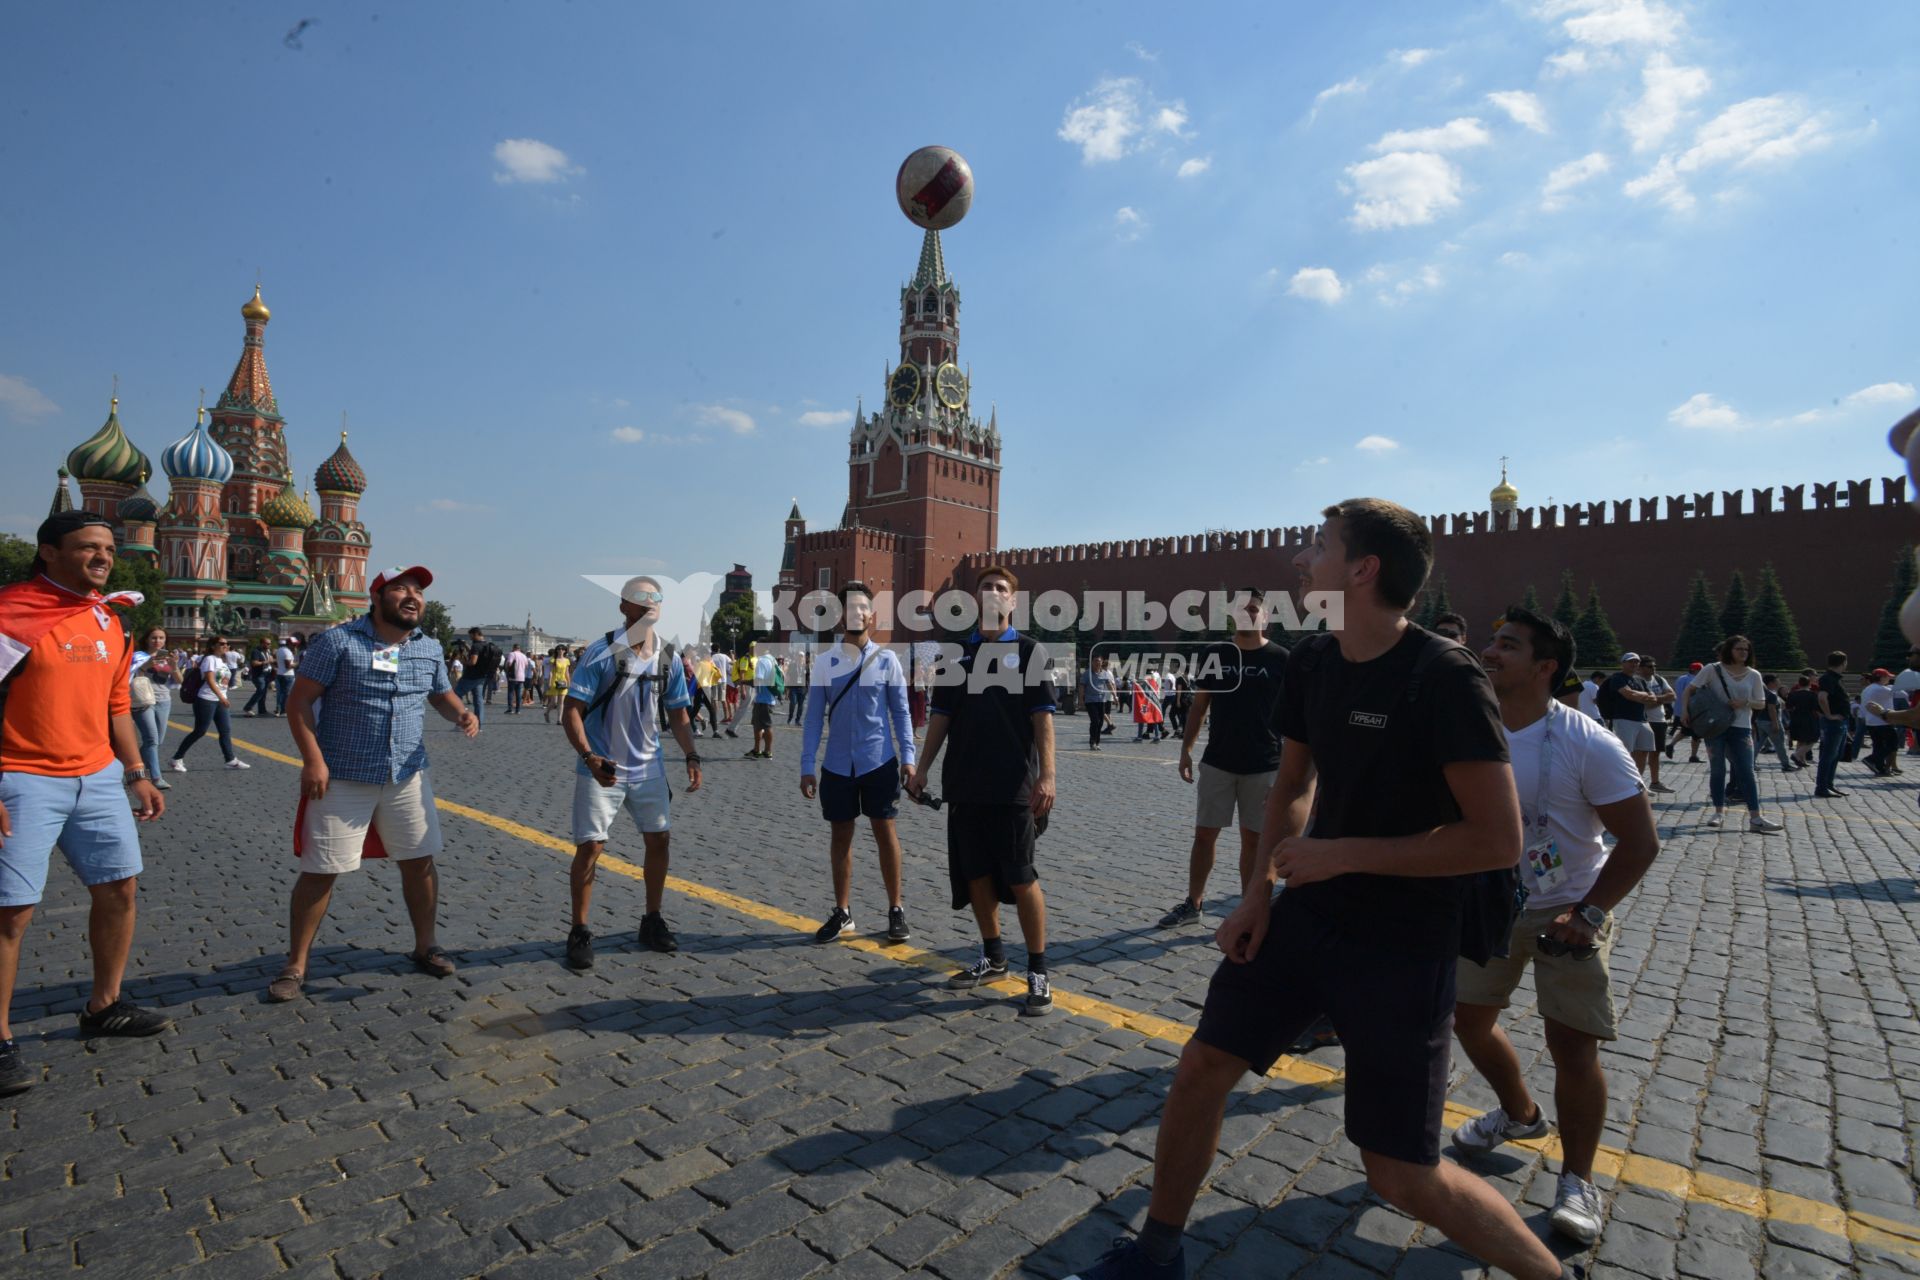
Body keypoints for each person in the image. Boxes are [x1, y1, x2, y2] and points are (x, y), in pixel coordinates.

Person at [1067, 498, 1571, 1280]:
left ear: (1362, 570)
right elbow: (1293, 783)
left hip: (1404, 942)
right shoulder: (1313, 661)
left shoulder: (1443, 676)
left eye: (1317, 546)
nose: (1300, 560)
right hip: (1307, 917)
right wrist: (1260, 894)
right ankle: (1156, 1253)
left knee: (1399, 1171)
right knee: (1203, 1066)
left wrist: (1341, 855)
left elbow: (1495, 839)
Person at [1453, 606, 1660, 1247]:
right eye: (1491, 641)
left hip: (1567, 909)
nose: (1489, 652)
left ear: (1545, 667)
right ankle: (1520, 1115)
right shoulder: (1467, 727)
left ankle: (1578, 1180)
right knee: (1468, 1021)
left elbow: (1640, 841)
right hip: (1488, 904)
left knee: (1573, 1047)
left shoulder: (1588, 742)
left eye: (1506, 645)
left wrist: (1589, 912)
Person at [1, 512, 178, 1096]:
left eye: (107, 548)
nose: (103, 556)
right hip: (22, 777)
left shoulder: (109, 618)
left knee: (119, 887)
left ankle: (105, 1004)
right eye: (87, 548)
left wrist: (136, 773)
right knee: (11, 912)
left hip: (97, 776)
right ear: (48, 553)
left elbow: (117, 704)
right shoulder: (11, 612)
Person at [271, 566, 479, 1002]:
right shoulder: (338, 642)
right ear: (378, 596)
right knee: (321, 869)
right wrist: (312, 760)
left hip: (406, 775)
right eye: (402, 588)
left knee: (419, 860)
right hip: (342, 774)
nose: (413, 596)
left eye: (419, 590)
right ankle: (295, 965)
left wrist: (460, 712)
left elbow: (440, 694)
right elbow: (300, 702)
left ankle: (426, 945)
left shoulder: (430, 648)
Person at [908, 565, 1057, 1017]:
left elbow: (1043, 718)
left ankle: (1038, 970)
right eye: (986, 588)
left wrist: (1048, 776)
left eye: (1001, 589)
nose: (993, 593)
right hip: (964, 784)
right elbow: (941, 717)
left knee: (1020, 875)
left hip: (1014, 786)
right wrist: (922, 768)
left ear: (1013, 602)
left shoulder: (1031, 651)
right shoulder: (956, 654)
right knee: (974, 874)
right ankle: (993, 956)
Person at [561, 576, 701, 964]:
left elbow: (678, 712)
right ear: (623, 606)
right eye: (641, 598)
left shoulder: (668, 657)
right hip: (602, 764)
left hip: (649, 766)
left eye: (656, 598)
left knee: (659, 841)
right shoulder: (599, 653)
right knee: (591, 846)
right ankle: (580, 929)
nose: (650, 604)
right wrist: (589, 757)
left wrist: (691, 755)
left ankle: (652, 919)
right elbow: (571, 710)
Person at [1161, 588, 1288, 928]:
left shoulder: (1280, 659)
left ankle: (1249, 908)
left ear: (1266, 616)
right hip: (1218, 761)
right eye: (1241, 608)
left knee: (1255, 840)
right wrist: (1186, 750)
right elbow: (1200, 706)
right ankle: (1194, 902)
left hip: (1265, 764)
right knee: (1204, 835)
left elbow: (1294, 717)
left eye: (1254, 608)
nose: (1248, 613)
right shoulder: (1216, 653)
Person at [800, 582, 916, 945]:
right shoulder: (825, 663)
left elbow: (901, 712)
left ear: (872, 616)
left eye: (862, 607)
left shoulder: (887, 660)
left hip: (879, 760)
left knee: (886, 833)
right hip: (836, 765)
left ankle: (896, 908)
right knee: (840, 837)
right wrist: (807, 764)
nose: (856, 613)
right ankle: (843, 911)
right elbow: (814, 718)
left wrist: (909, 758)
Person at [1681, 635, 1784, 832]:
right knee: (1718, 769)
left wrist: (1744, 703)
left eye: (1746, 649)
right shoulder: (1712, 669)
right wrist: (1685, 711)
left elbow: (1761, 703)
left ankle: (1755, 818)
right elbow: (1689, 690)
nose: (1743, 653)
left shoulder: (1753, 674)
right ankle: (1718, 812)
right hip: (1715, 727)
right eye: (1739, 649)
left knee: (1747, 770)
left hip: (1741, 727)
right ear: (1730, 650)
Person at [168, 636, 248, 771]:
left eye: (227, 643)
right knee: (200, 731)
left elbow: (222, 680)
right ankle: (176, 759)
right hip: (206, 699)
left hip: (219, 700)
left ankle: (230, 760)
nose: (226, 645)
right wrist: (221, 697)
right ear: (212, 646)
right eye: (222, 643)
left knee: (225, 730)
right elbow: (210, 680)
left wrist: (223, 695)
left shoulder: (221, 660)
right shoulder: (210, 659)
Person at [1596, 653, 1659, 785]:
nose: (1634, 664)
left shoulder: (1640, 680)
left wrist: (1639, 695)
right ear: (1623, 663)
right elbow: (1628, 694)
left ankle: (1637, 782)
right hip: (1624, 719)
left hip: (1642, 719)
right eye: (1630, 662)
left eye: (1636, 662)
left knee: (1643, 750)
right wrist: (1644, 695)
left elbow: (1653, 698)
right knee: (1625, 753)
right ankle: (1622, 783)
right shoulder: (1617, 678)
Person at [128, 627, 176, 791]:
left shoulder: (166, 657)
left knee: (157, 741)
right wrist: (145, 665)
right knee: (151, 740)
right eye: (154, 638)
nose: (158, 641)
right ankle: (156, 777)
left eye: (161, 638)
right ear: (147, 639)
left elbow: (179, 680)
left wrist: (174, 666)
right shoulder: (138, 656)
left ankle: (135, 768)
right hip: (143, 701)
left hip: (164, 700)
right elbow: (131, 678)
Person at [1638, 656, 1676, 792]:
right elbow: (1644, 703)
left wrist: (1655, 699)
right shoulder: (1637, 681)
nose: (1653, 668)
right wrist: (1662, 699)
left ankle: (1655, 782)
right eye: (1649, 666)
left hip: (1660, 720)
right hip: (1644, 720)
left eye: (1654, 666)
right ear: (1640, 668)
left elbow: (1672, 696)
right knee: (1641, 753)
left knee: (1656, 753)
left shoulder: (1659, 679)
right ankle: (1638, 784)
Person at [456, 627, 499, 726]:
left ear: (475, 634)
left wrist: (463, 662)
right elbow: (476, 654)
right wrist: (466, 646)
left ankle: (462, 719)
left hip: (470, 676)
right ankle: (479, 725)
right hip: (481, 676)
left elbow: (473, 661)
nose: (470, 637)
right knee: (478, 701)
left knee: (455, 696)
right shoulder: (486, 645)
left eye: (470, 635)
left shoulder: (476, 646)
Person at [1861, 668, 1898, 776]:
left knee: (1878, 745)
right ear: (1881, 678)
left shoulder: (1868, 688)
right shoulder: (1881, 689)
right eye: (1887, 677)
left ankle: (1880, 768)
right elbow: (1899, 691)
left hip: (1871, 721)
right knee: (1892, 744)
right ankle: (1871, 759)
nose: (1889, 680)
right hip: (1882, 721)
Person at [745, 644, 779, 760]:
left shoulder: (762, 661)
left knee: (766, 725)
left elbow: (758, 680)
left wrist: (743, 681)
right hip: (768, 698)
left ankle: (767, 750)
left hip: (763, 699)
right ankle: (757, 749)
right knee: (758, 725)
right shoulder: (772, 659)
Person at [1785, 673, 1820, 768]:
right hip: (1809, 718)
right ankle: (1796, 755)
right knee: (1813, 739)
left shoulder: (1792, 694)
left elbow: (1788, 707)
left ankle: (1801, 760)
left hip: (1796, 718)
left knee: (1801, 740)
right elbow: (1816, 708)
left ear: (1799, 684)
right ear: (1809, 684)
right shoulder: (1812, 694)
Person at [1080, 656, 1115, 751]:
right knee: (1095, 721)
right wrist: (1081, 700)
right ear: (1092, 662)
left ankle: (1097, 742)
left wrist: (1115, 696)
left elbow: (1109, 685)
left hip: (1101, 700)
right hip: (1090, 701)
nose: (1097, 663)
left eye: (1099, 661)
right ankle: (1092, 742)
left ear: (1102, 662)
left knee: (1100, 723)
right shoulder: (1087, 674)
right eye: (1095, 661)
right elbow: (1082, 687)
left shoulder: (1104, 674)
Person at [1675, 661, 1706, 763]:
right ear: (1694, 670)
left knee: (1687, 732)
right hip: (1691, 711)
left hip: (1683, 710)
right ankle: (1693, 755)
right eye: (1699, 670)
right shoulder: (1694, 680)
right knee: (1693, 733)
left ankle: (1693, 755)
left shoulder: (1681, 678)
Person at [240, 638, 274, 716]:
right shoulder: (256, 651)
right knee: (260, 691)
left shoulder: (268, 651)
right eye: (267, 644)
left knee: (263, 692)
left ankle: (262, 710)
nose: (269, 645)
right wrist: (267, 662)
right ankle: (248, 707)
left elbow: (271, 661)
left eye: (270, 644)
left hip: (266, 674)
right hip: (259, 675)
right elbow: (254, 663)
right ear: (262, 643)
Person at [544, 643, 573, 724]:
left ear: (565, 651)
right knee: (554, 702)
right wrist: (549, 682)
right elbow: (550, 672)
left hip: (563, 681)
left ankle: (559, 719)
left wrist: (569, 682)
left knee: (561, 701)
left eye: (562, 649)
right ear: (556, 651)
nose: (560, 650)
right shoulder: (553, 659)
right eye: (559, 649)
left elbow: (567, 672)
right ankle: (547, 713)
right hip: (554, 681)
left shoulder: (567, 660)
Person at [272, 633, 297, 716]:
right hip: (288, 675)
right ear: (289, 644)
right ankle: (284, 710)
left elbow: (277, 662)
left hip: (279, 673)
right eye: (294, 644)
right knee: (287, 693)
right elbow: (288, 666)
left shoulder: (279, 650)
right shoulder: (288, 652)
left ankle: (278, 709)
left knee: (280, 693)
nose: (295, 646)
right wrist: (298, 664)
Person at [503, 643, 531, 714]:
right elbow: (527, 665)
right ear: (519, 648)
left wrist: (506, 667)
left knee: (510, 692)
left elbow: (509, 663)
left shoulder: (512, 654)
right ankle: (518, 710)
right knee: (518, 694)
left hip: (513, 676)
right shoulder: (523, 655)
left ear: (513, 648)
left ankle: (510, 709)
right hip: (521, 677)